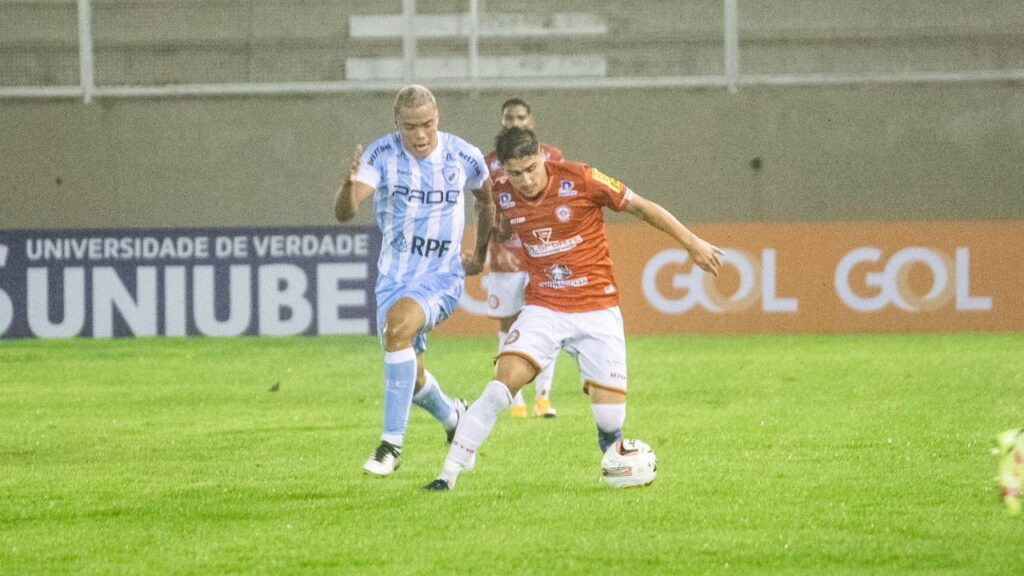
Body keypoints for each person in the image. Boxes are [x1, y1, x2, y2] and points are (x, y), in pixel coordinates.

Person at [424, 127, 722, 491]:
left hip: (598, 310)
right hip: (544, 308)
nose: (525, 180)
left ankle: (615, 455)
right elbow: (485, 209)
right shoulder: (502, 191)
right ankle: (447, 475)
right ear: (504, 170)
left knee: (610, 420)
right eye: (515, 173)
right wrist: (481, 252)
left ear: (542, 157)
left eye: (531, 169)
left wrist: (691, 243)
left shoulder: (581, 179)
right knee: (500, 387)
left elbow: (640, 206)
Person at [335, 84, 493, 477]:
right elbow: (346, 211)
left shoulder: (463, 156)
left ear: (437, 117)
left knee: (397, 328)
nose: (420, 135)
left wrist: (480, 254)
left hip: (441, 276)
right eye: (410, 127)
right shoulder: (381, 155)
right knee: (411, 370)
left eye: (427, 124)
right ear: (397, 124)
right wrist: (347, 187)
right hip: (393, 277)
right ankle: (455, 418)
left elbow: (486, 199)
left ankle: (391, 445)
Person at [482, 97, 563, 419]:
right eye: (509, 118)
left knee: (550, 321)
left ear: (531, 121)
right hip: (506, 256)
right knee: (509, 323)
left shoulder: (552, 156)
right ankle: (515, 398)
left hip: (543, 252)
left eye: (520, 117)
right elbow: (484, 207)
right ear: (502, 122)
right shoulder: (488, 163)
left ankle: (543, 398)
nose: (515, 123)